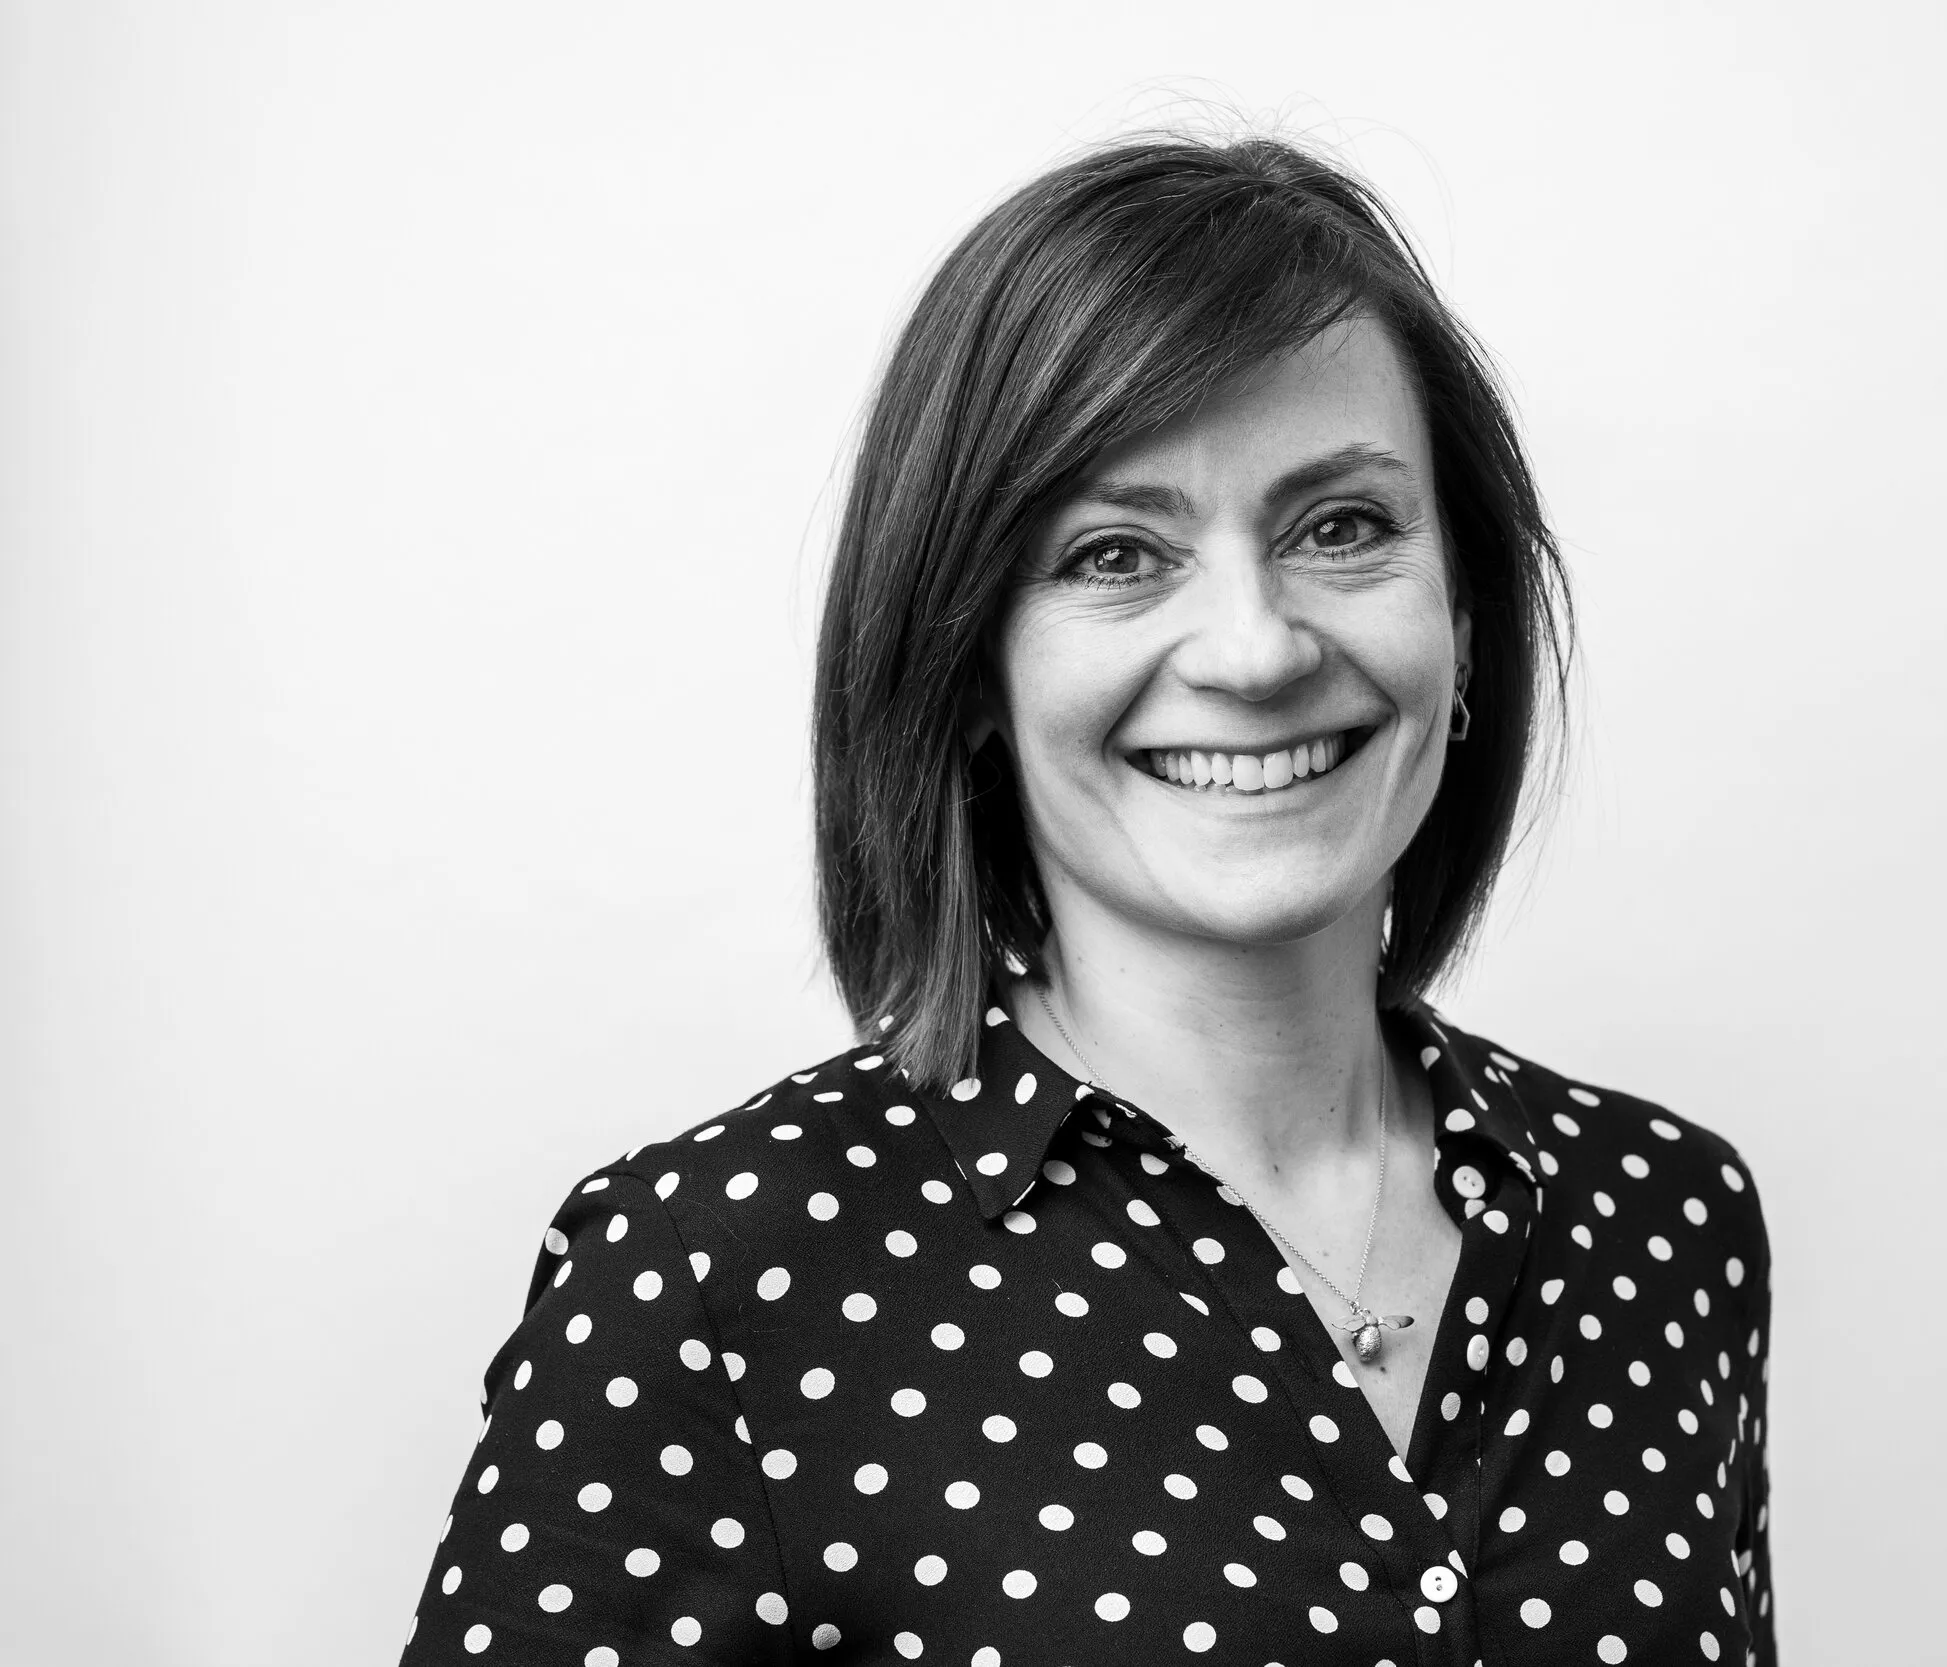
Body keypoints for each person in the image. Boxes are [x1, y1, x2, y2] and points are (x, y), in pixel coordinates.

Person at [399, 131, 1775, 1667]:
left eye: (1341, 527)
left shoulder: (1665, 1217)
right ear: (969, 667)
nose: (1254, 649)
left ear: (1461, 614)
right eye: (1117, 554)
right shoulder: (713, 1279)